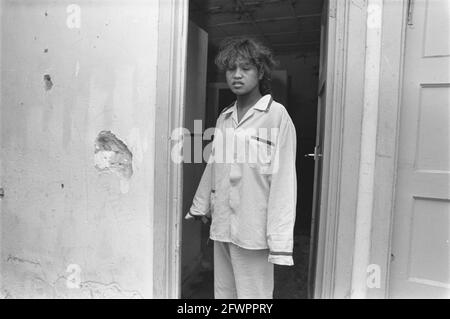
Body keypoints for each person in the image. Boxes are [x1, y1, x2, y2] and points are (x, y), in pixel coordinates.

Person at [185, 37, 297, 299]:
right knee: (224, 292)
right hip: (223, 224)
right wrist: (202, 205)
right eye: (231, 69)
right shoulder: (224, 117)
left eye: (245, 68)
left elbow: (284, 182)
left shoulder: (276, 116)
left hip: (253, 227)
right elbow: (214, 165)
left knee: (253, 296)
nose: (237, 75)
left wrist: (279, 240)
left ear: (259, 72)